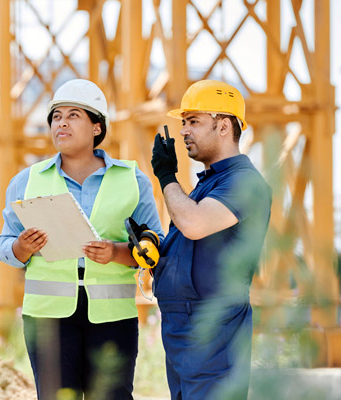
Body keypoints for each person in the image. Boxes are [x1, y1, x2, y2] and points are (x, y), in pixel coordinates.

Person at [0, 79, 164, 400]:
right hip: (47, 318)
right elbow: (5, 246)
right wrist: (22, 248)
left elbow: (155, 246)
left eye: (73, 115)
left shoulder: (132, 180)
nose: (61, 122)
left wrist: (116, 252)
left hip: (113, 317)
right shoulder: (25, 181)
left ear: (96, 127)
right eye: (56, 116)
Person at [149, 80, 272, 399]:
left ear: (224, 126)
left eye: (194, 121)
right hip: (183, 335)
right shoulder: (207, 186)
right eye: (183, 123)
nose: (184, 131)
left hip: (214, 338)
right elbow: (190, 244)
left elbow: (194, 223)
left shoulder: (245, 183)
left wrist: (166, 177)